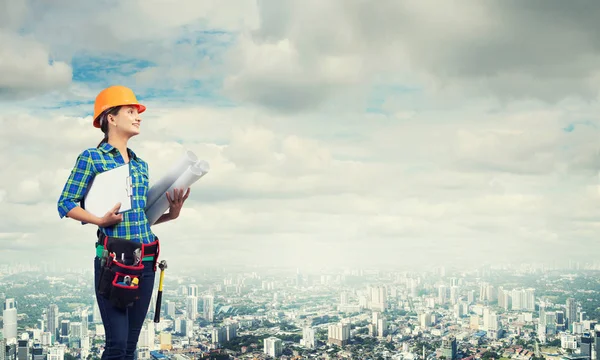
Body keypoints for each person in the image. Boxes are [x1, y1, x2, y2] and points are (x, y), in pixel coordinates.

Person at [57, 85, 190, 360]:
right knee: (117, 346)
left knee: (130, 345)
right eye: (130, 111)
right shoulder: (92, 158)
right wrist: (98, 219)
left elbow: (141, 217)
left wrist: (170, 215)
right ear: (110, 118)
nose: (138, 116)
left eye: (137, 112)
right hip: (114, 261)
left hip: (146, 260)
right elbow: (65, 203)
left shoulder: (141, 165)